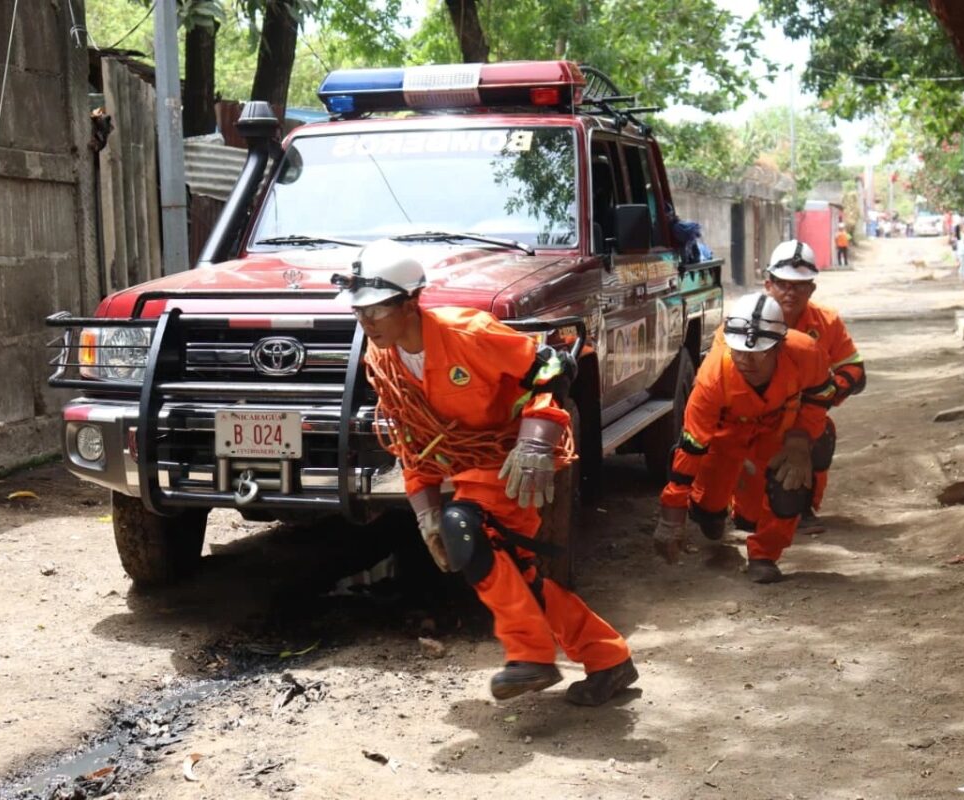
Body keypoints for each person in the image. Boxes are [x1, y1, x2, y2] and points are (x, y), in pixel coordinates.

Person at [332, 239, 637, 705]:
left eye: (376, 309)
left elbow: (554, 366)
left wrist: (536, 439)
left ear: (411, 301)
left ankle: (530, 656)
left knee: (467, 531)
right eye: (360, 311)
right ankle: (608, 659)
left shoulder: (468, 332)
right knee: (517, 573)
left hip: (516, 462)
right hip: (469, 470)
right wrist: (425, 511)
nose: (366, 320)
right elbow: (413, 444)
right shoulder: (384, 361)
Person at [652, 291, 835, 583]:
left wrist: (801, 438)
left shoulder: (805, 353)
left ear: (779, 346)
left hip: (779, 431)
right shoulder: (713, 378)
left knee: (787, 487)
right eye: (739, 352)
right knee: (708, 511)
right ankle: (708, 512)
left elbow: (822, 393)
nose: (747, 360)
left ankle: (764, 555)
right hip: (725, 435)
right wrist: (671, 512)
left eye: (758, 352)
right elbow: (692, 444)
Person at [756, 240, 866, 534]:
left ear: (812, 289)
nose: (790, 292)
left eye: (799, 285)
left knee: (822, 434)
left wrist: (827, 393)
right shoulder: (747, 319)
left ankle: (804, 506)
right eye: (783, 284)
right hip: (755, 414)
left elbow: (855, 369)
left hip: (806, 413)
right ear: (769, 284)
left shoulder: (827, 322)